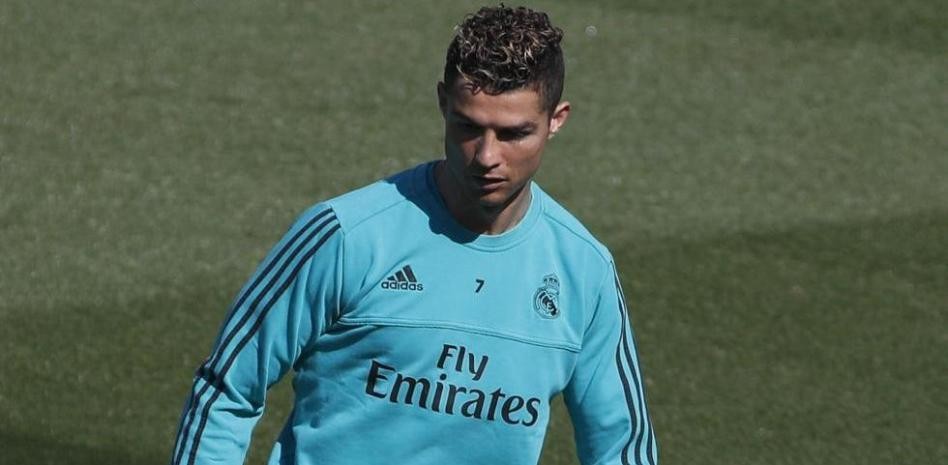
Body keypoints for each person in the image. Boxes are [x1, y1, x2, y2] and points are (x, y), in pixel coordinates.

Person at [170, 5, 657, 465]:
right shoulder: (347, 236)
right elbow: (227, 388)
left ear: (556, 121)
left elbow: (622, 448)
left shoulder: (583, 270)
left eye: (513, 134)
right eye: (468, 127)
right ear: (443, 103)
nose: (487, 156)